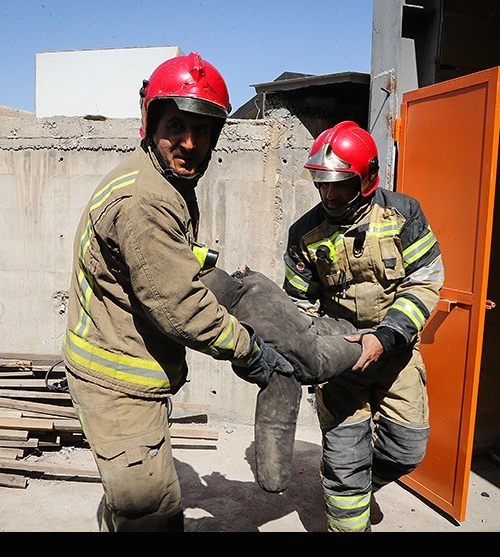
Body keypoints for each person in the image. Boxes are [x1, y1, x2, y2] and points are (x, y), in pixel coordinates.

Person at [61, 52, 293, 532]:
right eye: (177, 127)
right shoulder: (146, 200)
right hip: (117, 383)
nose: (189, 143)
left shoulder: (160, 179)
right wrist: (251, 352)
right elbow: (180, 309)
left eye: (202, 130)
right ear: (151, 124)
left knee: (134, 505)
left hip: (125, 369)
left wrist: (211, 271)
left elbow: (156, 263)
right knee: (152, 513)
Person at [282, 121, 445, 532]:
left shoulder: (403, 214)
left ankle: (356, 485)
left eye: (340, 184)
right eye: (322, 183)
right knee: (346, 464)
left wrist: (384, 337)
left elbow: (425, 282)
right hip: (339, 364)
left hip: (396, 355)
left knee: (407, 449)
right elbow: (298, 304)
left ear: (366, 179)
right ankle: (346, 494)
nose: (329, 194)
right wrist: (309, 355)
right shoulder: (304, 234)